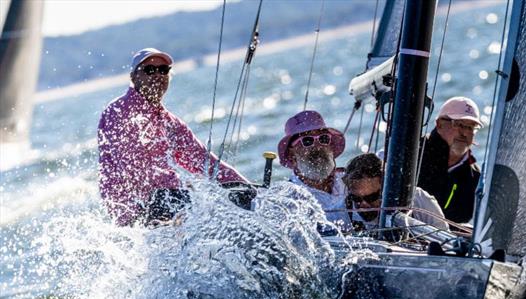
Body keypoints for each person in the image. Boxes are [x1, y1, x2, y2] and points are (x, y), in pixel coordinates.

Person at [98, 48, 252, 226]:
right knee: (201, 206)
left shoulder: (169, 122)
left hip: (167, 200)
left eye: (163, 70)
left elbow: (203, 160)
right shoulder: (118, 112)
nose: (157, 75)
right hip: (136, 211)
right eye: (149, 70)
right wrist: (186, 193)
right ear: (134, 78)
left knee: (234, 201)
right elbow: (134, 168)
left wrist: (244, 186)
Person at [277, 110, 349, 228]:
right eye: (307, 141)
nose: (317, 146)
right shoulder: (288, 200)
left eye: (323, 138)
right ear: (291, 154)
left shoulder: (348, 181)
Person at [416, 96, 482, 224]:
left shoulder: (475, 177)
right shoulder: (413, 151)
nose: (464, 133)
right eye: (458, 124)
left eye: (470, 127)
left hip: (446, 242)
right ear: (439, 124)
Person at [343, 153, 447, 232]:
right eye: (355, 198)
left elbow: (445, 242)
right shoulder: (341, 212)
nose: (363, 205)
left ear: (386, 188)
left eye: (371, 197)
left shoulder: (419, 200)